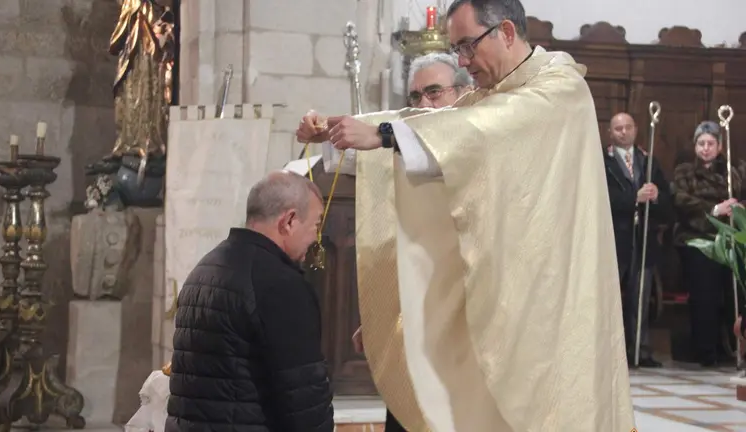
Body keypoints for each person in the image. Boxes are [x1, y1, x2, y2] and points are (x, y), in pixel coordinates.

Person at [295, 0, 635, 430]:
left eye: (468, 46)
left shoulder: (558, 89)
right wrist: (339, 129)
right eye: (457, 49)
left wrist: (383, 136)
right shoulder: (493, 94)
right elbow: (431, 121)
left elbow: (480, 132)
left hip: (548, 295)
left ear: (507, 32)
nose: (462, 61)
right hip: (502, 286)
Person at [351, 51, 472, 432]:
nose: (424, 105)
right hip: (417, 321)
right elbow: (401, 241)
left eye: (434, 92)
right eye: (416, 97)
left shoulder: (478, 146)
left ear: (464, 94)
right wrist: (379, 317)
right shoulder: (408, 151)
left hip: (467, 326)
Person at [165, 171, 334, 432]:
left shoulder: (205, 267)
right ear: (289, 221)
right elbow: (304, 399)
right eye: (315, 225)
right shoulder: (281, 284)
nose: (316, 239)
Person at [674, 120, 746, 367]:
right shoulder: (684, 171)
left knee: (732, 294)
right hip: (698, 238)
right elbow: (682, 201)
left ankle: (731, 347)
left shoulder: (732, 170)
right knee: (705, 296)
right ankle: (705, 351)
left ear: (719, 146)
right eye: (701, 143)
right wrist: (715, 209)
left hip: (729, 239)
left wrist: (738, 208)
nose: (705, 148)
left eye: (710, 144)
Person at [604, 112, 673, 368]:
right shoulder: (602, 162)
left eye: (627, 127)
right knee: (609, 299)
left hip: (643, 240)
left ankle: (640, 351)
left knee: (640, 297)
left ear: (636, 129)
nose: (623, 132)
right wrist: (634, 198)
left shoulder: (648, 161)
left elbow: (668, 204)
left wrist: (655, 196)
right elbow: (602, 197)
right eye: (618, 128)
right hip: (613, 240)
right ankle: (610, 353)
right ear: (610, 133)